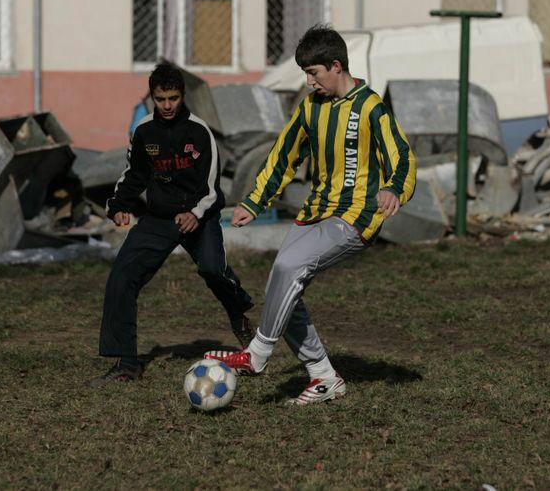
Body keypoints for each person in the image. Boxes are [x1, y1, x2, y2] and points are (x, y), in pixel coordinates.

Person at [205, 25, 417, 405]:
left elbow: (401, 155)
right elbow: (283, 155)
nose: (309, 81)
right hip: (315, 211)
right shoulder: (310, 107)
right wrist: (254, 202)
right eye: (305, 73)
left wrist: (393, 188)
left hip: (356, 215)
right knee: (282, 286)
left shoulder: (370, 107)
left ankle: (256, 354)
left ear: (336, 66)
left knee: (289, 267)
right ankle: (324, 377)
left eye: (314, 72)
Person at [91, 62, 254, 386]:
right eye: (161, 99)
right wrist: (118, 206)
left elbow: (211, 188)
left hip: (199, 215)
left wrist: (194, 213)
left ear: (183, 95)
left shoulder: (199, 132)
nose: (167, 105)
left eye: (173, 98)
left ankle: (239, 316)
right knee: (122, 277)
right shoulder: (144, 131)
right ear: (152, 97)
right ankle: (127, 363)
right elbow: (134, 174)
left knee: (213, 269)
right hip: (160, 217)